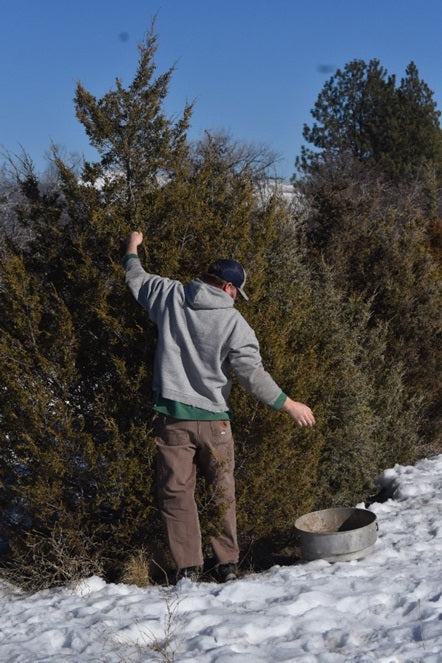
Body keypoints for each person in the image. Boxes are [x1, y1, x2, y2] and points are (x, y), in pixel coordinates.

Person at [123, 230, 315, 582]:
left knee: (176, 494)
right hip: (215, 422)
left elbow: (135, 278)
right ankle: (227, 565)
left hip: (172, 419)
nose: (237, 300)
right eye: (237, 293)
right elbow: (251, 375)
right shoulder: (235, 323)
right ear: (227, 288)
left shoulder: (170, 295)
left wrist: (133, 247)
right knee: (221, 494)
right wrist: (288, 405)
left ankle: (188, 571)